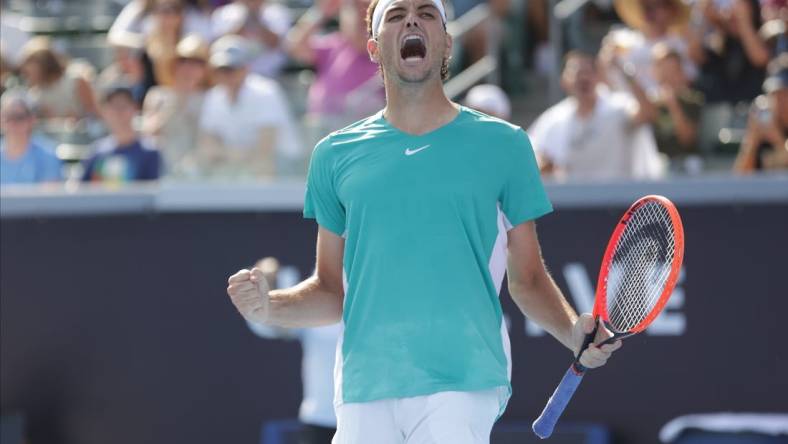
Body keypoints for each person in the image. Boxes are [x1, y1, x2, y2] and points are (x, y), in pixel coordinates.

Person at [226, 0, 622, 442]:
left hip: (464, 379)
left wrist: (572, 331)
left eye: (426, 13)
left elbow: (527, 278)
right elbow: (330, 291)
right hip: (363, 384)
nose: (412, 19)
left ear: (447, 43)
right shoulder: (333, 155)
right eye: (396, 15)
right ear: (374, 49)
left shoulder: (505, 146)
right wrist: (269, 307)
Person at [244, 257, 340, 444]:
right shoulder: (313, 295)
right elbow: (270, 325)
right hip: (320, 420)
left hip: (368, 415)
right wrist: (264, 290)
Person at [529, 50, 663, 181]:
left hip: (621, 199)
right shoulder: (553, 119)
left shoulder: (620, 107)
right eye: (577, 73)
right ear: (564, 80)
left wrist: (625, 70)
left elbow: (649, 114)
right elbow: (536, 157)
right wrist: (544, 167)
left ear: (599, 77)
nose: (583, 77)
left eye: (588, 72)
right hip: (574, 201)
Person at [197, 35, 301, 178]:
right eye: (221, 69)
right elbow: (208, 147)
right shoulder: (214, 97)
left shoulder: (266, 92)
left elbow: (265, 150)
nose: (226, 74)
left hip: (282, 170)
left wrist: (225, 154)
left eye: (231, 68)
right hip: (240, 171)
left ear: (246, 68)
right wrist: (238, 155)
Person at [286, 0, 384, 136]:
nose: (360, 16)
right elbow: (295, 46)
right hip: (323, 134)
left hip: (365, 136)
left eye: (367, 9)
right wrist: (321, 13)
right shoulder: (333, 46)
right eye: (353, 8)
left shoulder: (388, 53)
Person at [142, 34, 210, 178]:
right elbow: (148, 133)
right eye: (183, 61)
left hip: (200, 174)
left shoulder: (210, 99)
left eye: (196, 62)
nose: (188, 68)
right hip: (163, 170)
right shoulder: (157, 96)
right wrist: (174, 104)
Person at [602, 0, 697, 97]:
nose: (650, 12)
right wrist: (608, 62)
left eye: (658, 5)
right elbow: (615, 84)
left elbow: (690, 77)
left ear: (670, 9)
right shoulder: (626, 43)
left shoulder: (681, 41)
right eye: (646, 6)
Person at [82, 86, 162, 183]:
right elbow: (83, 189)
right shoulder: (97, 152)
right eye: (114, 107)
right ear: (105, 112)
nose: (119, 113)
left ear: (135, 108)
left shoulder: (150, 152)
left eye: (124, 106)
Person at [651, 43, 705, 173]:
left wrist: (673, 105)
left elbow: (687, 139)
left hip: (686, 165)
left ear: (681, 72)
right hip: (656, 166)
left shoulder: (693, 100)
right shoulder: (650, 104)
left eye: (672, 71)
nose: (668, 77)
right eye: (664, 71)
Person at [18, 37, 100, 121]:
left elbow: (96, 114)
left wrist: (80, 120)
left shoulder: (75, 81)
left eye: (28, 73)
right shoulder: (35, 96)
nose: (26, 77)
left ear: (43, 66)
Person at [211, 0, 292, 78]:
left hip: (274, 75)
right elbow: (219, 46)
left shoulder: (278, 13)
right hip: (235, 77)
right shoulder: (223, 13)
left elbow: (277, 43)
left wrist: (256, 19)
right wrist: (244, 21)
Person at [734, 61, 788, 172]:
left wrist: (778, 140)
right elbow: (739, 178)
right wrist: (752, 142)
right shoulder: (765, 123)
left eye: (785, 93)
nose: (779, 100)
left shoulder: (772, 130)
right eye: (774, 94)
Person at [0, 91, 62, 185]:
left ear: (32, 120)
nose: (13, 123)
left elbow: (48, 196)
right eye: (8, 117)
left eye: (19, 117)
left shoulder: (48, 156)